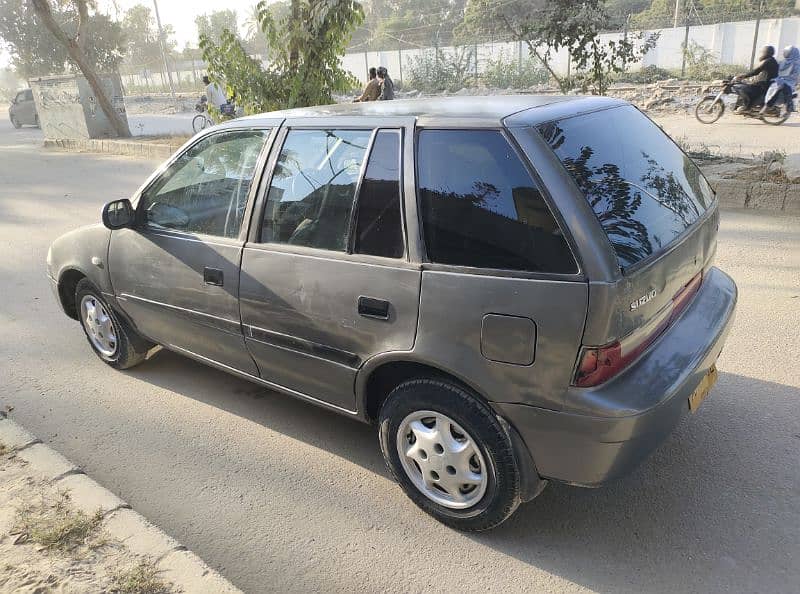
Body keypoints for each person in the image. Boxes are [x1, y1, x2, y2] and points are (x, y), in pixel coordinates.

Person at [733, 46, 778, 113]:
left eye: (763, 52)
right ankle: (745, 107)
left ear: (767, 52)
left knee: (743, 89)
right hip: (763, 83)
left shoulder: (769, 61)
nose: (761, 53)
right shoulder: (769, 60)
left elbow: (756, 71)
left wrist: (743, 76)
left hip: (764, 85)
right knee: (743, 86)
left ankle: (747, 107)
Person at [762, 45, 800, 114]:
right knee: (775, 87)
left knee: (783, 87)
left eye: (787, 52)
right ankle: (767, 105)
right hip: (778, 80)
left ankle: (786, 107)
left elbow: (796, 76)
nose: (785, 53)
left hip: (790, 82)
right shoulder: (782, 62)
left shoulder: (797, 64)